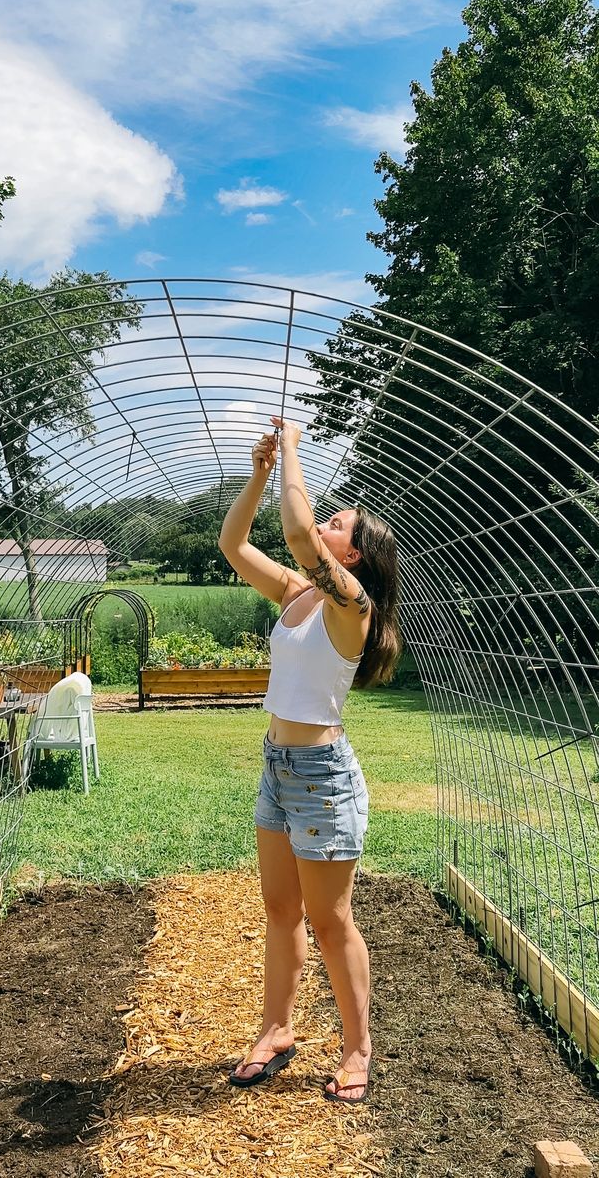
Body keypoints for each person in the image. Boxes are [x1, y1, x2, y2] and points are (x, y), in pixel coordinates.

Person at [219, 415, 402, 1104]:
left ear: (351, 557)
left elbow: (296, 536)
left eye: (336, 525)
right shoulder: (299, 596)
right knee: (280, 910)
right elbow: (233, 544)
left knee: (331, 921)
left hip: (323, 782)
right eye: (326, 518)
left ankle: (358, 1048)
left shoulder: (350, 606)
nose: (322, 525)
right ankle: (277, 1030)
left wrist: (294, 448)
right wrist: (262, 473)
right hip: (278, 768)